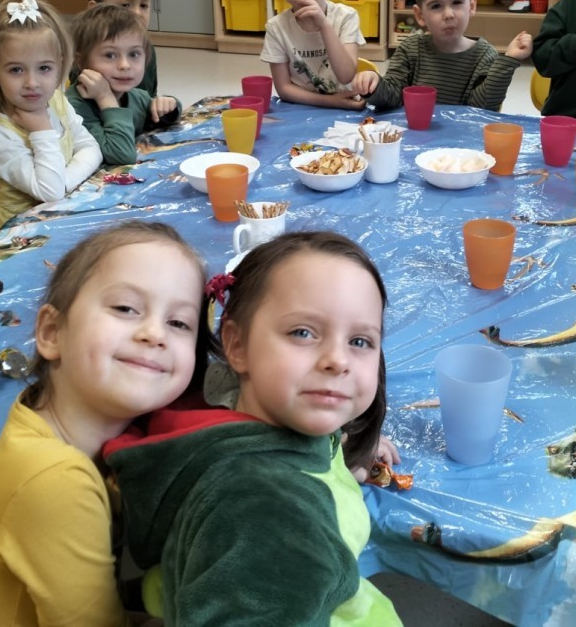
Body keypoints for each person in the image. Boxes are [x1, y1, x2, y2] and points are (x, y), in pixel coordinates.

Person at [104, 231, 402, 625]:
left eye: (360, 341)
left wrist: (338, 454)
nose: (338, 360)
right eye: (303, 333)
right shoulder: (269, 514)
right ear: (237, 345)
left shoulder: (253, 419)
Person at [0, 221, 215, 626]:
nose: (155, 334)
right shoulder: (56, 479)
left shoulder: (44, 415)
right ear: (51, 333)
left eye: (179, 323)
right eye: (125, 308)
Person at [0, 0, 103, 233]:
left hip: (58, 221)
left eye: (44, 68)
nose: (32, 83)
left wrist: (64, 182)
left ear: (60, 65)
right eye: (16, 70)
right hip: (16, 237)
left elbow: (91, 148)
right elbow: (50, 192)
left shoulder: (56, 100)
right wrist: (42, 130)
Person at [351, 0, 531, 112]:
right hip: (416, 136)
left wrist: (508, 60)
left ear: (471, 5)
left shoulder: (484, 55)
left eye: (457, 2)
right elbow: (392, 96)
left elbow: (482, 108)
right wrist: (374, 85)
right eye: (436, 6)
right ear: (420, 15)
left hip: (461, 140)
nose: (448, 14)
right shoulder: (410, 49)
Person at [260, 0, 368, 110]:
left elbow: (346, 76)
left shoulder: (346, 17)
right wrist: (330, 102)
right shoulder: (276, 28)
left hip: (346, 109)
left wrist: (323, 24)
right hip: (302, 108)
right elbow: (283, 89)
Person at [66, 5, 181, 166]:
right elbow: (121, 155)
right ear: (80, 61)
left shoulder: (135, 96)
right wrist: (106, 98)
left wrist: (169, 105)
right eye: (110, 55)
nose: (125, 65)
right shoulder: (73, 108)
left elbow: (163, 118)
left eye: (134, 54)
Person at [85, 0, 162, 97]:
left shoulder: (146, 49)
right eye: (125, 5)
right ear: (95, 10)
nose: (137, 13)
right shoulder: (87, 55)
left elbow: (150, 96)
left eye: (143, 5)